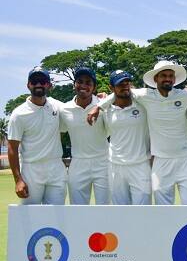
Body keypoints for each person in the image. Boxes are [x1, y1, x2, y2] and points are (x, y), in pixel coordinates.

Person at [89, 60, 187, 205]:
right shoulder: (145, 95)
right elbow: (121, 92)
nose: (168, 79)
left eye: (171, 75)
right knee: (162, 211)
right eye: (163, 75)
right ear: (156, 78)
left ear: (175, 79)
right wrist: (98, 107)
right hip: (160, 161)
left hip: (186, 159)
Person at [7, 67, 67, 204]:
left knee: (57, 217)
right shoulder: (19, 114)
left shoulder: (57, 106)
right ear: (28, 85)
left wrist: (98, 101)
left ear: (49, 85)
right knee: (32, 219)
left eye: (43, 81)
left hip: (56, 168)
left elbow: (76, 109)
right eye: (34, 81)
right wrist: (18, 180)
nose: (38, 84)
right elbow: (12, 148)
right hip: (31, 170)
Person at [59, 67, 110, 205]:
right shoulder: (64, 109)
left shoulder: (103, 105)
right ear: (74, 84)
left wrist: (105, 101)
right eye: (80, 81)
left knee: (106, 209)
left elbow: (124, 95)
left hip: (103, 162)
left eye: (88, 83)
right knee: (78, 210)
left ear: (94, 88)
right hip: (78, 163)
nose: (83, 86)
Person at [102, 70, 152, 205]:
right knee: (120, 212)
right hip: (115, 166)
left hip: (140, 165)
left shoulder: (143, 105)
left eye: (127, 83)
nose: (125, 86)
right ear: (111, 88)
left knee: (142, 212)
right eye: (120, 84)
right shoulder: (106, 110)